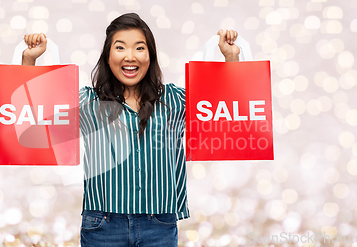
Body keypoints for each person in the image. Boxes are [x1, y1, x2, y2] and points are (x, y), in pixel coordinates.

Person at [22, 13, 239, 247]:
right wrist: (30, 61)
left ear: (150, 55)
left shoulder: (175, 99)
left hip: (159, 226)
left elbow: (226, 105)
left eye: (139, 48)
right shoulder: (87, 102)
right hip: (102, 227)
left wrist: (231, 58)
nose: (130, 56)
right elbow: (33, 112)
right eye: (120, 47)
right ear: (108, 56)